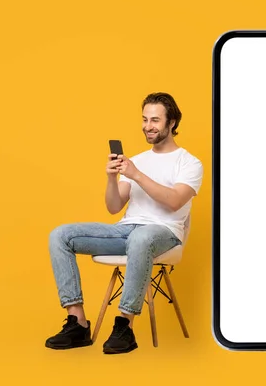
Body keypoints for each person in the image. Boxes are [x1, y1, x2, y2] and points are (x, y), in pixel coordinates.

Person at [45, 92, 203, 354]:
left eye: (155, 120)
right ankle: (77, 323)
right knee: (60, 235)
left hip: (164, 233)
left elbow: (174, 201)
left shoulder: (189, 162)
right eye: (144, 119)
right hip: (126, 231)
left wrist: (136, 175)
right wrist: (111, 178)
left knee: (141, 239)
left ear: (172, 123)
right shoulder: (137, 160)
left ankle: (124, 326)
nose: (147, 126)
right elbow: (114, 207)